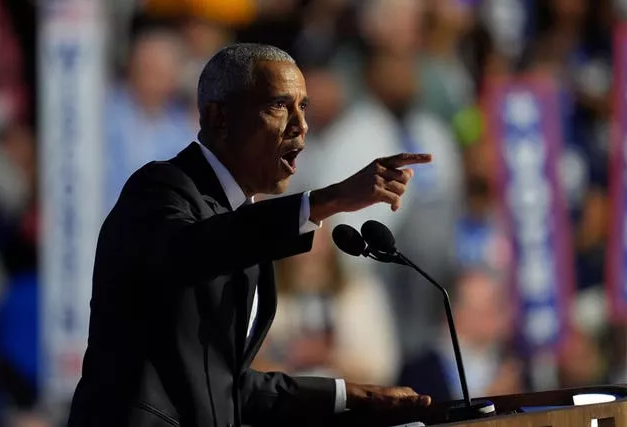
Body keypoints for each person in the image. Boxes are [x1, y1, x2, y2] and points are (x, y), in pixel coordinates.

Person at [67, 43, 432, 427]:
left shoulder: (242, 219)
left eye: (303, 107)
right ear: (218, 118)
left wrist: (353, 395)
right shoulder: (160, 189)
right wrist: (329, 199)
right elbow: (194, 251)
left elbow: (229, 388)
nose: (300, 125)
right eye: (278, 105)